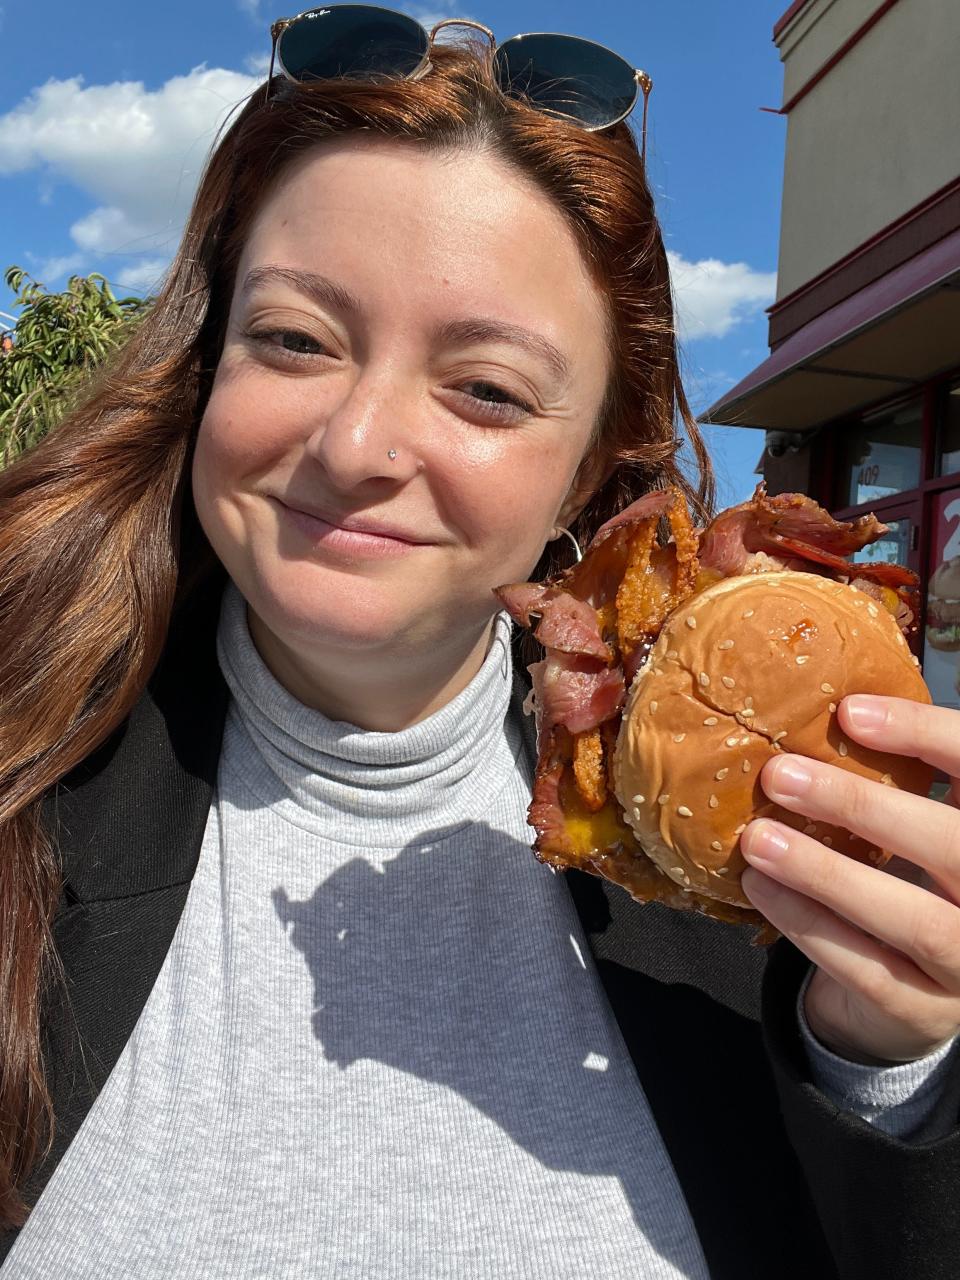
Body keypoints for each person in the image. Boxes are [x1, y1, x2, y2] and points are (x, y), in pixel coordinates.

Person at [0, 9, 958, 1277]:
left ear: (588, 474)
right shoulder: (27, 770)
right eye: (294, 338)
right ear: (205, 360)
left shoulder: (739, 887)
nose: (357, 447)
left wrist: (892, 1062)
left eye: (487, 388)